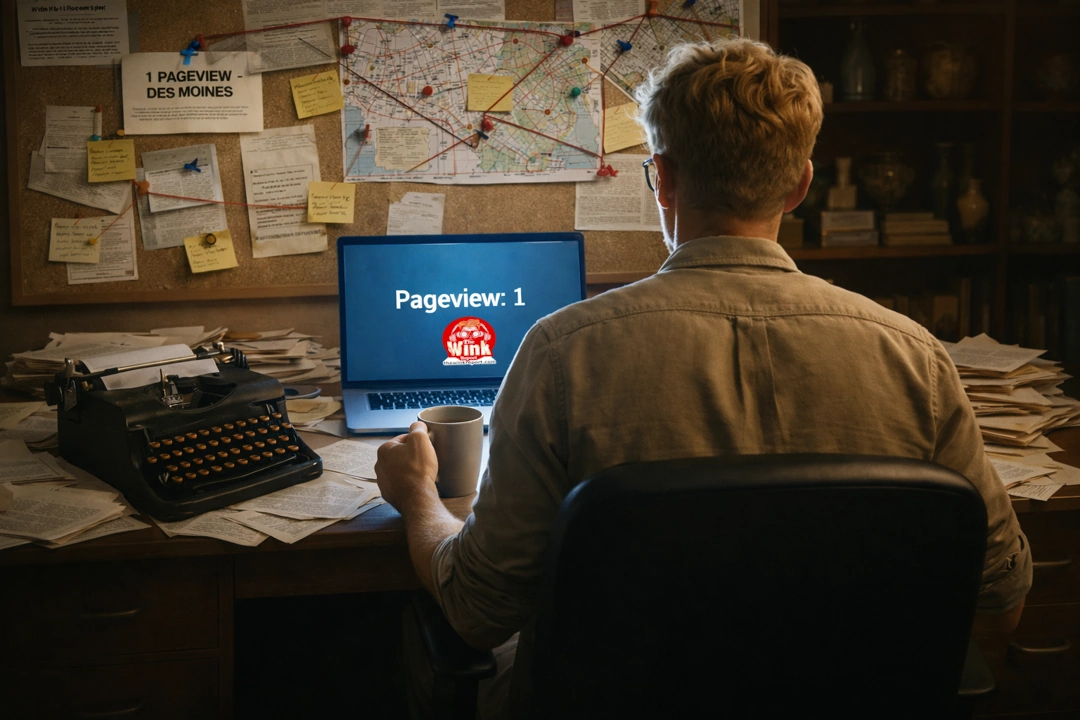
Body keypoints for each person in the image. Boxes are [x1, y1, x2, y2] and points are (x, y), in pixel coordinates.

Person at [375, 37, 1032, 719]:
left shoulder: (560, 353)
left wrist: (417, 494)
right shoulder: (915, 358)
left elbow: (479, 615)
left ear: (662, 177)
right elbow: (1002, 606)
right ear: (801, 184)